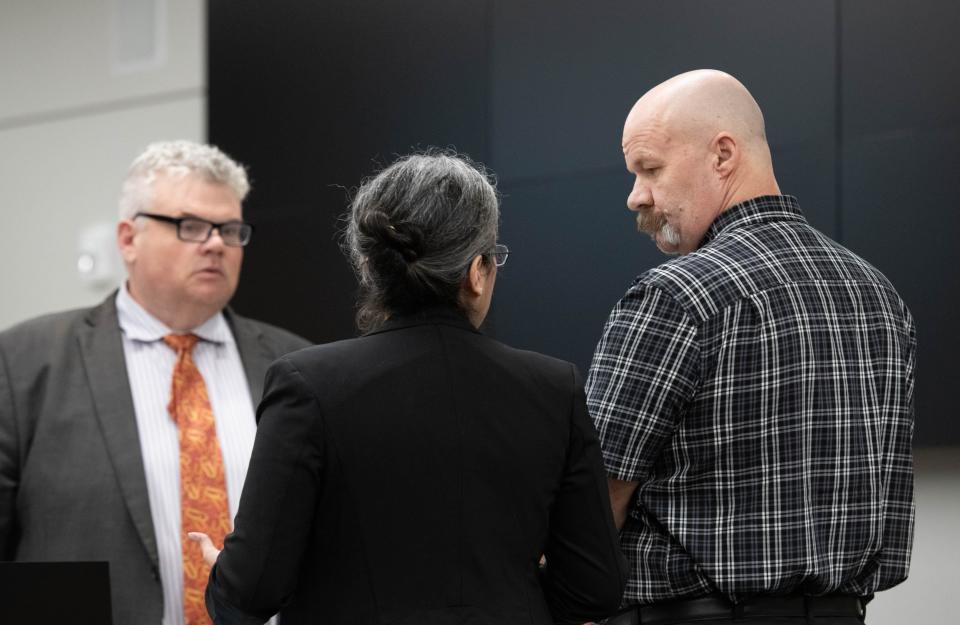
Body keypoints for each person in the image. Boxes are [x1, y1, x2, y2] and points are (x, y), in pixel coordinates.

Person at [188, 152, 627, 625]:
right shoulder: (553, 389)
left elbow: (251, 591)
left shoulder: (307, 384)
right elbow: (594, 588)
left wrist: (225, 578)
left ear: (368, 266)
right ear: (477, 272)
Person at [586, 70, 916, 625]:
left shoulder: (674, 296)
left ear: (722, 155)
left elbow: (594, 500)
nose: (634, 196)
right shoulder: (881, 296)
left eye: (650, 169)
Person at [0, 140, 310, 625]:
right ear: (128, 239)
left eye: (229, 230)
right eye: (190, 227)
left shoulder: (296, 365)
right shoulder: (24, 362)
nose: (215, 244)